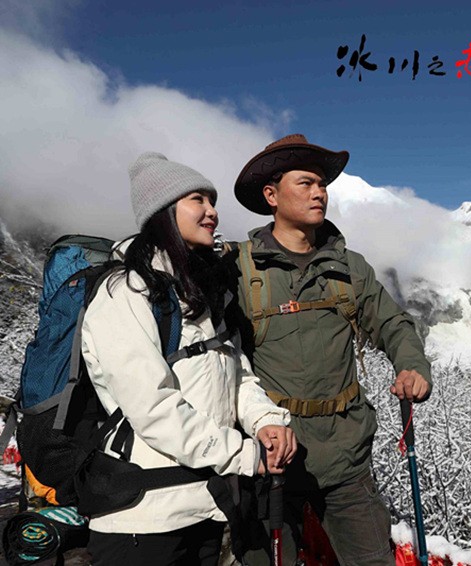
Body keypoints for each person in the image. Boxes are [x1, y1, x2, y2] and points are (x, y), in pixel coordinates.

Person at [80, 152, 297, 565]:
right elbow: (152, 407)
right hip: (143, 518)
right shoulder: (124, 294)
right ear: (163, 212)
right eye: (198, 199)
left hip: (205, 504)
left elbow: (237, 376)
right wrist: (244, 455)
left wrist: (266, 421)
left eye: (212, 201)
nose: (212, 211)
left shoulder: (202, 294)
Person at [231, 134, 432, 566]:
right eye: (305, 183)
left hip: (346, 457)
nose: (319, 192)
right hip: (273, 459)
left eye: (322, 184)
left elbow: (393, 323)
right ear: (271, 195)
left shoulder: (349, 267)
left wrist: (412, 366)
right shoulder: (239, 271)